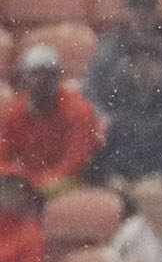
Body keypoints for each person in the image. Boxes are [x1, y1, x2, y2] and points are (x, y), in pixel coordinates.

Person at [88, 36, 162, 189]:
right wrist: (113, 176)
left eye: (151, 63)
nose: (143, 70)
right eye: (137, 64)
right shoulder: (120, 109)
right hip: (127, 188)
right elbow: (106, 157)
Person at [0, 46, 103, 192]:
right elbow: (2, 156)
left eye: (49, 75)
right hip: (24, 184)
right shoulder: (13, 111)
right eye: (35, 75)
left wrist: (40, 183)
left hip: (66, 183)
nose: (42, 81)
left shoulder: (79, 110)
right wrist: (17, 177)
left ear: (58, 77)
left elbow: (75, 161)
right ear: (23, 78)